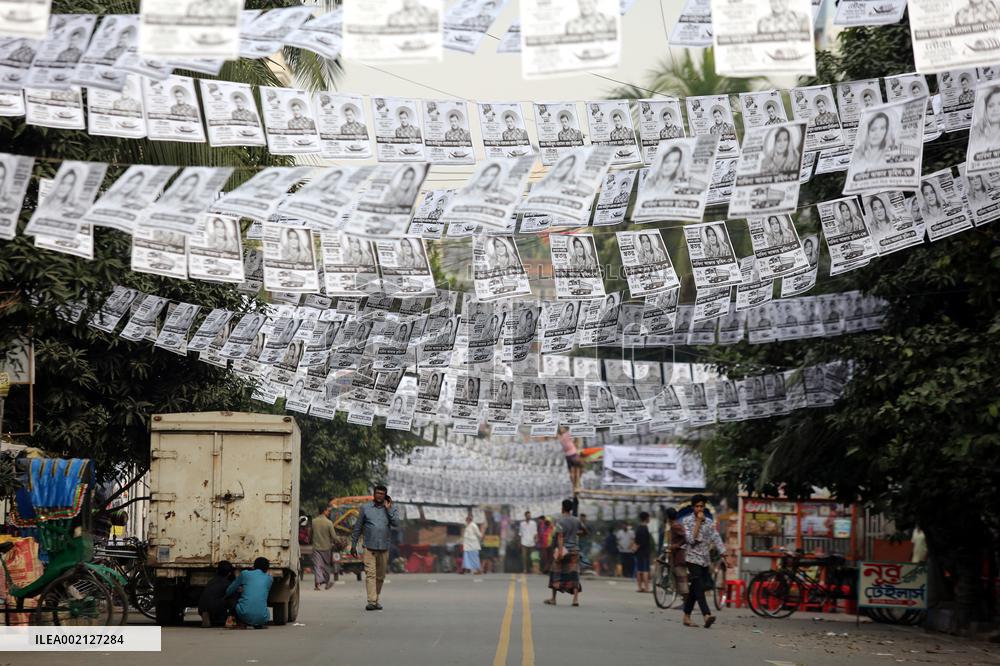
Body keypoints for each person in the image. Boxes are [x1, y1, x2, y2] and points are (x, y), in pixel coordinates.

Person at [681, 495, 728, 629]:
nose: (699, 509)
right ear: (693, 507)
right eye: (697, 506)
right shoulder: (687, 521)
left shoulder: (708, 522)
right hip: (691, 557)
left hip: (704, 559)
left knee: (695, 588)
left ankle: (686, 615)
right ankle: (706, 615)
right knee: (699, 586)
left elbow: (716, 537)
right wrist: (697, 522)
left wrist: (724, 553)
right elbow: (690, 540)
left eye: (701, 506)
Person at [351, 485, 399, 610]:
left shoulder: (391, 508)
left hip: (384, 547)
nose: (379, 495)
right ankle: (371, 601)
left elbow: (396, 523)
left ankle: (376, 598)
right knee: (370, 574)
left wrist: (388, 510)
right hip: (369, 547)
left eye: (382, 494)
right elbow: (357, 527)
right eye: (377, 493)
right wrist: (353, 545)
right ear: (374, 494)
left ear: (385, 496)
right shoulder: (365, 508)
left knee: (380, 576)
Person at [543, 499, 587, 606]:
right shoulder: (576, 520)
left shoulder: (560, 521)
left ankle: (553, 599)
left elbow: (560, 536)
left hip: (563, 550)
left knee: (556, 573)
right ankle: (575, 600)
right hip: (574, 550)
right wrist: (576, 534)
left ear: (562, 508)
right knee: (574, 574)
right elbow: (585, 531)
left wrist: (560, 551)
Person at [225, 557, 273, 628]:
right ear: (266, 569)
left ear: (254, 566)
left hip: (244, 614)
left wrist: (240, 590)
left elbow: (229, 591)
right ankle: (257, 622)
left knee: (230, 599)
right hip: (264, 618)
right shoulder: (269, 579)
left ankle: (234, 620)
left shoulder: (245, 574)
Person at [198, 560, 235, 627]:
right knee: (232, 598)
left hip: (201, 608)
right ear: (229, 573)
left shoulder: (211, 581)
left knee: (215, 598)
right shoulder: (227, 583)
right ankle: (230, 619)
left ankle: (206, 614)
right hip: (215, 608)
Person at [311, 504, 337, 590]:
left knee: (317, 565)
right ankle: (326, 582)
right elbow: (333, 536)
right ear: (324, 511)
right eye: (328, 511)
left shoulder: (314, 521)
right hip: (327, 548)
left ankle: (318, 583)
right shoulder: (329, 523)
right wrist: (336, 542)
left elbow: (310, 534)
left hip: (316, 547)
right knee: (326, 566)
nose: (329, 512)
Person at [634, 512, 653, 593]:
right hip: (644, 552)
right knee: (645, 571)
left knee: (639, 570)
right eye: (649, 517)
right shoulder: (645, 529)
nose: (649, 519)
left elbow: (636, 541)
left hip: (639, 552)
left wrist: (634, 550)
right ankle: (646, 588)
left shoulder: (638, 528)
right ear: (646, 518)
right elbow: (642, 542)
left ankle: (639, 587)